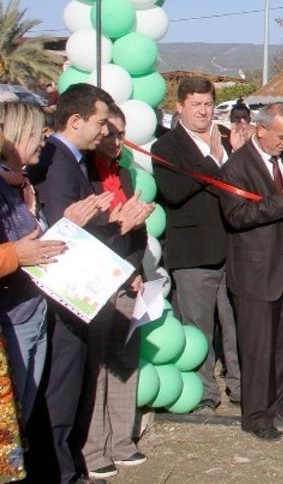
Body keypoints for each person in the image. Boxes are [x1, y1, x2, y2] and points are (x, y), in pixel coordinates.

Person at [27, 83, 147, 484]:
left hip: (82, 297)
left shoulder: (75, 159)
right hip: (66, 298)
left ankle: (69, 463)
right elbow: (65, 234)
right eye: (99, 123)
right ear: (75, 120)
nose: (104, 132)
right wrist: (115, 224)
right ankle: (60, 469)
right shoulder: (59, 161)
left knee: (76, 385)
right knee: (61, 390)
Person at [218, 103, 283, 441]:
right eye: (281, 137)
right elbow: (237, 215)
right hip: (257, 268)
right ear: (261, 130)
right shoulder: (237, 166)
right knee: (258, 345)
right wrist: (282, 201)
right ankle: (257, 415)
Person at [151, 77, 241, 412]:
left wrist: (229, 153)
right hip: (193, 251)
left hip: (233, 248)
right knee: (198, 327)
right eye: (196, 105)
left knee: (235, 324)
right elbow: (174, 192)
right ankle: (205, 392)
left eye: (208, 104)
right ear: (179, 107)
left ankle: (241, 385)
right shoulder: (166, 146)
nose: (204, 111)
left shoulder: (229, 141)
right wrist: (211, 158)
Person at [82, 106, 153, 479]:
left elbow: (138, 228)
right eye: (109, 133)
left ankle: (122, 441)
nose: (116, 141)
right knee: (97, 366)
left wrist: (137, 268)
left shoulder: (124, 172)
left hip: (128, 278)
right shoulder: (84, 175)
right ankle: (94, 447)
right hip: (95, 280)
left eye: (121, 134)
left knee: (125, 361)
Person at [0, 104, 73, 424]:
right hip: (11, 318)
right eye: (37, 134)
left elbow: (36, 242)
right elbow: (23, 246)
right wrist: (17, 254)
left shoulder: (23, 185)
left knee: (21, 417)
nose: (44, 142)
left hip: (33, 310)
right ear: (16, 136)